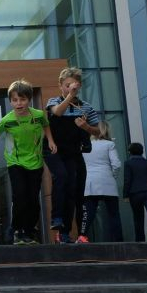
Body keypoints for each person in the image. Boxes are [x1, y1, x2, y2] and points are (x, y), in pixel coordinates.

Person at [0, 79, 57, 245]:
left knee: (33, 198)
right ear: (10, 101)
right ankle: (15, 228)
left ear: (29, 99)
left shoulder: (38, 115)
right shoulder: (7, 120)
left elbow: (46, 126)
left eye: (22, 99)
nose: (19, 103)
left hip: (35, 162)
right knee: (20, 196)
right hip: (15, 162)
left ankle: (29, 231)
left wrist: (51, 141)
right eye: (15, 100)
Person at [45, 67, 100, 243]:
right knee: (60, 177)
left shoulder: (86, 107)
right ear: (61, 86)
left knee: (73, 191)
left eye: (73, 85)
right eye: (67, 85)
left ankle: (70, 232)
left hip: (73, 153)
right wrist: (70, 96)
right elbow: (57, 112)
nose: (70, 88)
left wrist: (86, 127)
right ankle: (58, 221)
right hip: (54, 150)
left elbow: (98, 131)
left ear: (80, 85)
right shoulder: (54, 101)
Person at [77, 121, 123, 243]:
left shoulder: (85, 146)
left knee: (88, 213)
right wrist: (112, 176)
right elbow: (117, 164)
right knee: (114, 214)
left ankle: (82, 236)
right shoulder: (109, 144)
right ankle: (119, 241)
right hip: (108, 182)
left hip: (90, 183)